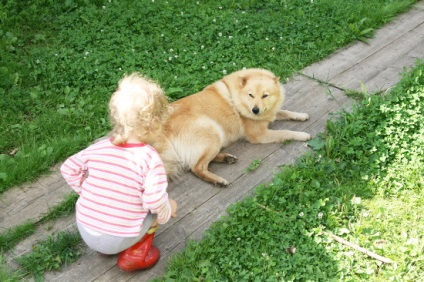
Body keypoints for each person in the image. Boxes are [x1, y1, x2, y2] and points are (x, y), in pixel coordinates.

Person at [60, 73, 177, 271]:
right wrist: (168, 210)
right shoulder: (148, 158)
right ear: (154, 123)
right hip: (120, 235)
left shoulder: (97, 148)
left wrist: (87, 192)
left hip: (87, 230)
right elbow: (154, 201)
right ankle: (136, 253)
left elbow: (68, 168)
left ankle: (107, 247)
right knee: (164, 205)